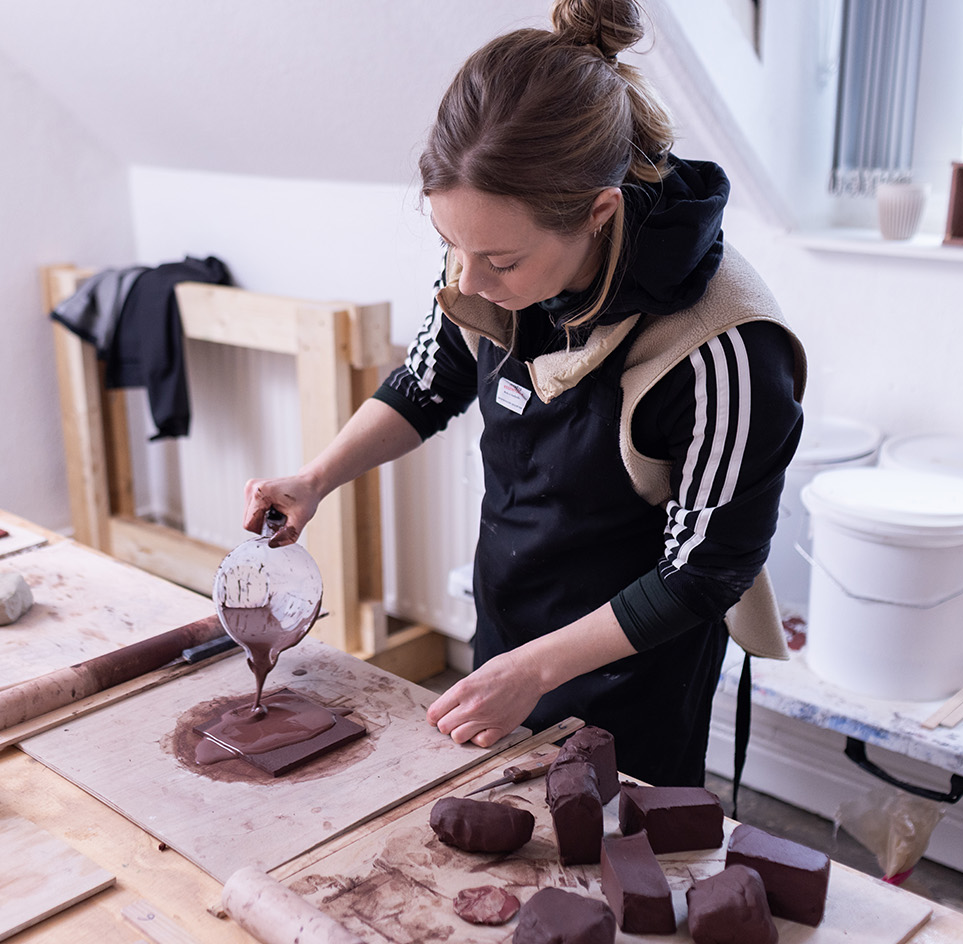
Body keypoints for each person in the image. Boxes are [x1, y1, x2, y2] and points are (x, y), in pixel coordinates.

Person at [242, 0, 805, 787]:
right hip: (508, 624)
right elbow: (428, 383)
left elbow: (705, 571)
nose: (468, 281)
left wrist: (536, 671)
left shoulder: (723, 347)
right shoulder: (486, 259)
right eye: (451, 247)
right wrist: (316, 476)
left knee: (611, 867)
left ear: (599, 213)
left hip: (632, 673)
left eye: (499, 261)